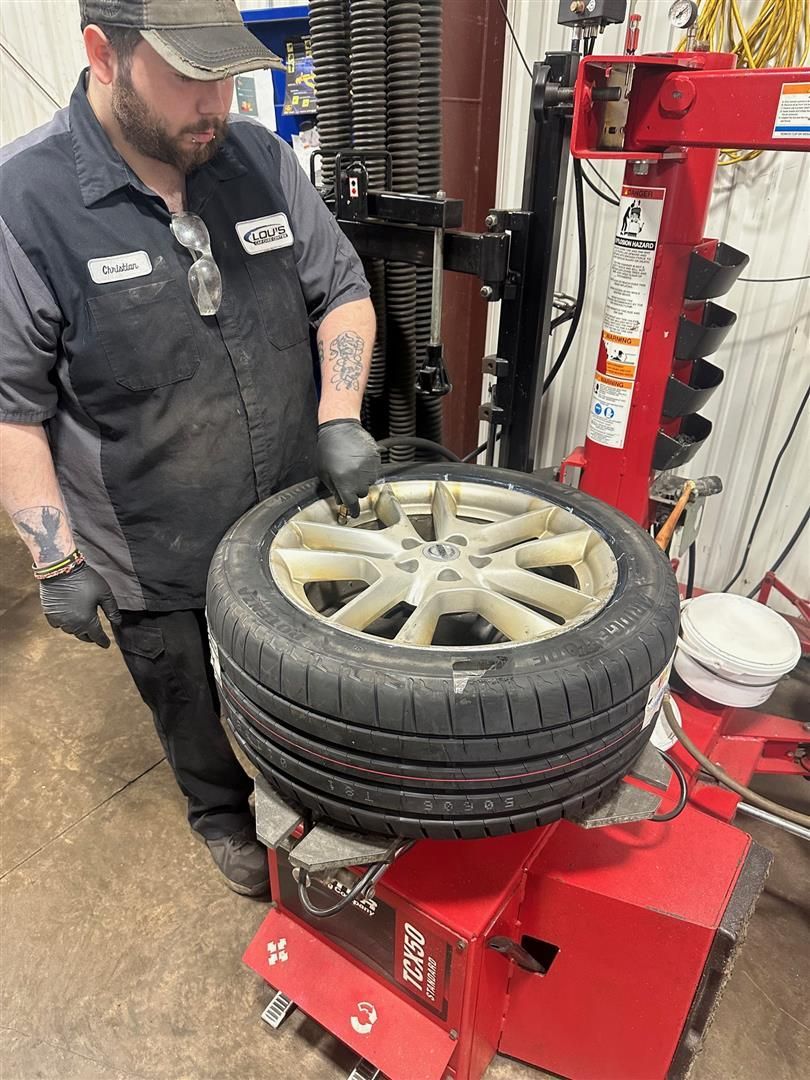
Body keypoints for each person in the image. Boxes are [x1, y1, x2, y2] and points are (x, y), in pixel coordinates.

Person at [0, 0, 381, 898]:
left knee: (310, 671)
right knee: (185, 696)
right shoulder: (24, 203)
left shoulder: (257, 159)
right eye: (186, 76)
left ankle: (318, 788)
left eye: (223, 72)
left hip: (288, 509)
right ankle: (218, 810)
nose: (216, 101)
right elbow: (11, 408)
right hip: (146, 539)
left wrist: (339, 415)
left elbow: (345, 293)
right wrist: (53, 560)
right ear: (103, 53)